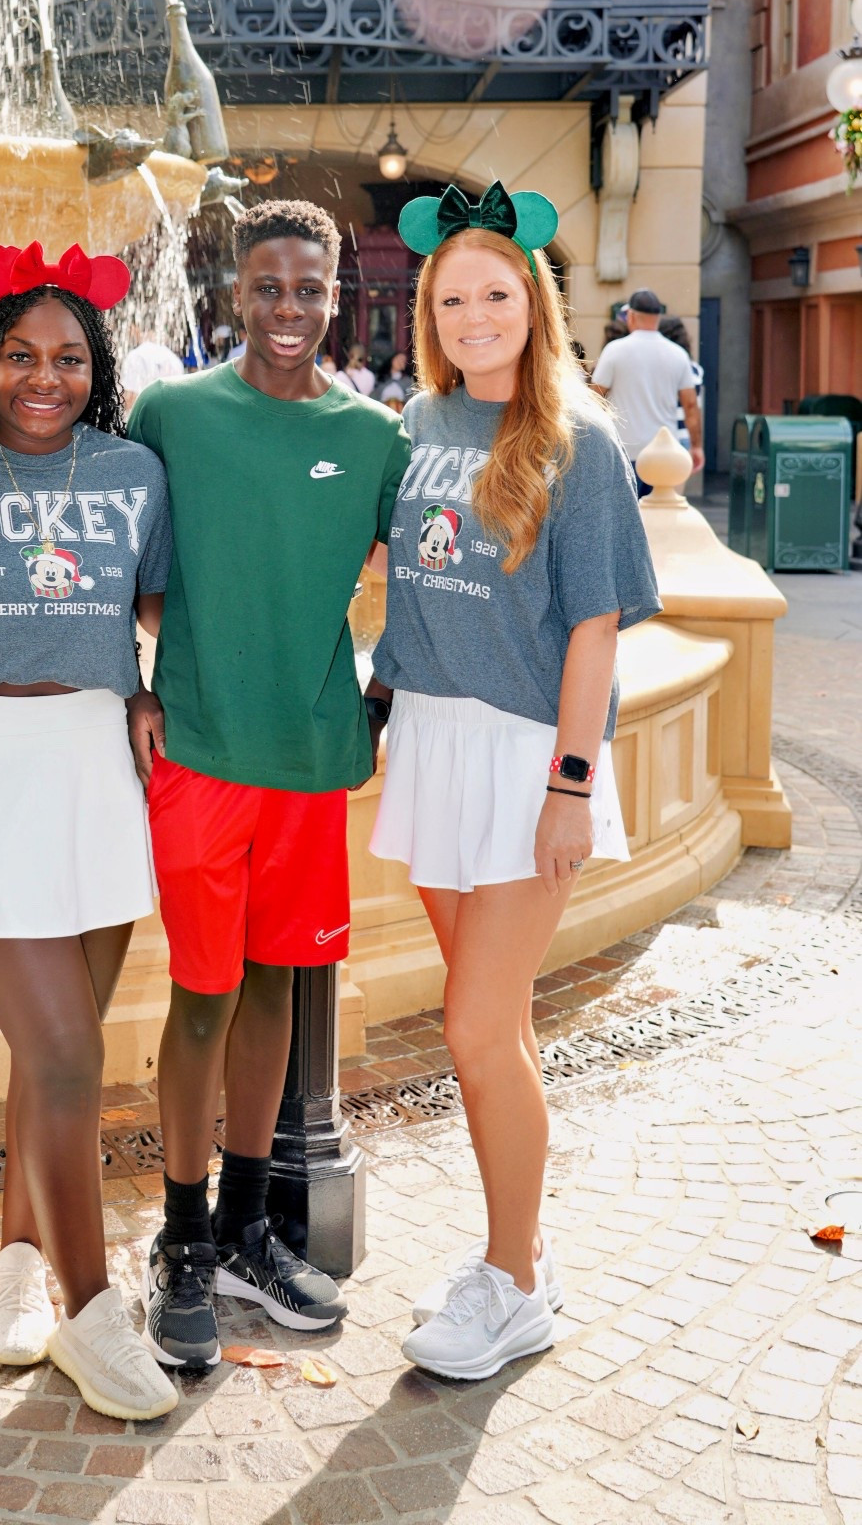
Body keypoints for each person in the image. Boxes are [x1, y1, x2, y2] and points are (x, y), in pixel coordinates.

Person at [366, 181, 660, 1384]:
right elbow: (402, 573)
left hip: (527, 754)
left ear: (533, 304)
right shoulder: (420, 422)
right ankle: (516, 1251)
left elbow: (595, 626)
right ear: (427, 313)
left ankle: (516, 1284)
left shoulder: (576, 441)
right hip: (431, 740)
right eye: (452, 298)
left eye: (495, 294)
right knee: (496, 1030)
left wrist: (571, 784)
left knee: (474, 1024)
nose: (473, 313)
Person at [127, 200, 410, 1371]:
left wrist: (384, 693)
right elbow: (113, 565)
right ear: (234, 294)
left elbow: (429, 581)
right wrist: (130, 683)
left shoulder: (375, 436)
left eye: (308, 289)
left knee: (276, 996)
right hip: (196, 756)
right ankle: (181, 1238)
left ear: (335, 296)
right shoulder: (173, 414)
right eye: (266, 287)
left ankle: (247, 1226)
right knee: (201, 995)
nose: (286, 308)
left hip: (306, 768)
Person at [0, 239, 178, 1423]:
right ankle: (90, 1307)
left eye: (68, 357)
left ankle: (17, 1258)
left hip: (94, 768)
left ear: (95, 366)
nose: (43, 375)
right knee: (70, 1054)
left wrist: (151, 691)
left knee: (49, 1051)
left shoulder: (133, 470)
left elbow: (161, 609)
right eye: (19, 353)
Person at [591, 287, 703, 485]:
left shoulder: (614, 351)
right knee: (659, 513)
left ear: (631, 316)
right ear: (658, 317)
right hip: (664, 452)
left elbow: (594, 399)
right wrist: (696, 446)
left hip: (624, 449)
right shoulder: (678, 354)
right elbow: (691, 406)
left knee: (626, 514)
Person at [660, 315, 705, 459]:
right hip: (684, 436)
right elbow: (693, 407)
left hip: (661, 435)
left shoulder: (660, 368)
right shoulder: (695, 369)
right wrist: (697, 444)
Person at [120, 323, 184, 411]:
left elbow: (130, 398)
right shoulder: (174, 359)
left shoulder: (135, 356)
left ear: (136, 327)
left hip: (146, 418)